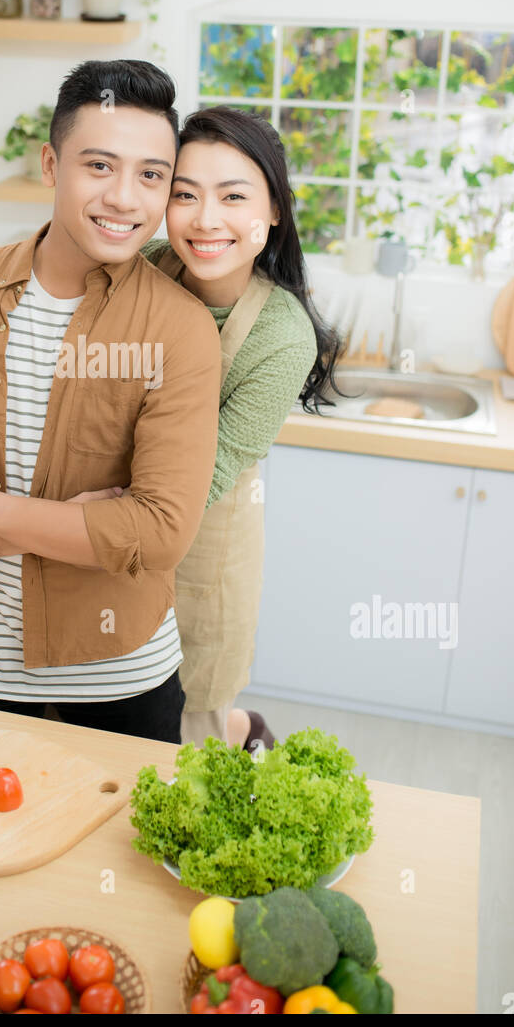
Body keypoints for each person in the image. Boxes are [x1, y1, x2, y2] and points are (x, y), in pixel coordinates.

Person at [0, 59, 222, 743]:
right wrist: (77, 524)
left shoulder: (179, 329)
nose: (125, 198)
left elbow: (158, 534)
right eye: (99, 166)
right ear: (49, 165)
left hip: (121, 677)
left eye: (151, 175)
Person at [141, 105, 340, 750]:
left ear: (274, 210)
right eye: (184, 195)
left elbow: (213, 468)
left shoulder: (282, 335)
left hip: (205, 536)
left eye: (233, 196)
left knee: (189, 707)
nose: (206, 220)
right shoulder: (141, 268)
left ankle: (237, 730)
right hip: (110, 520)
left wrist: (89, 528)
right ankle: (244, 731)